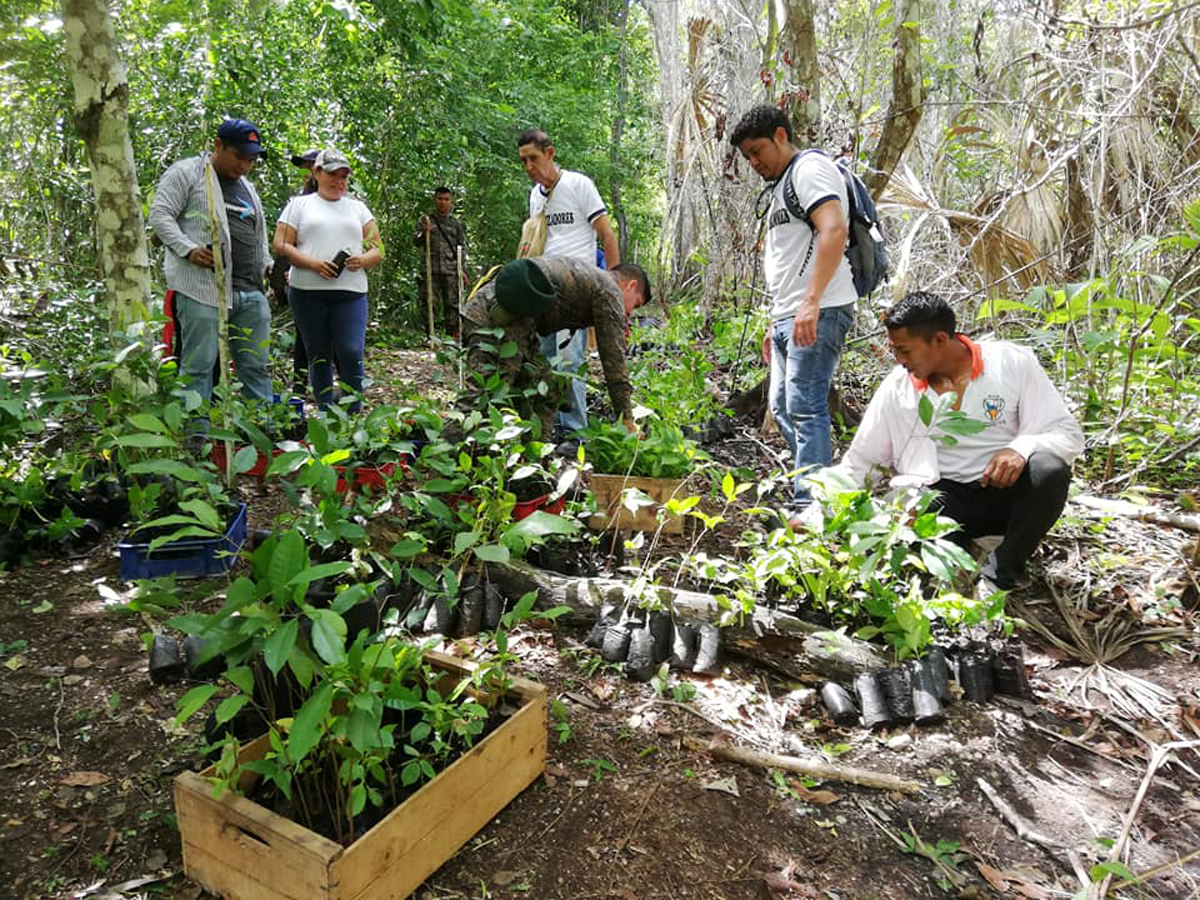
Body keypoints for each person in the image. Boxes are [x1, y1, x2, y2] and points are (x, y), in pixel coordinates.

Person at [830, 291, 1084, 591]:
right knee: (926, 552)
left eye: (905, 351)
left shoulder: (1010, 364)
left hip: (1002, 494)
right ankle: (957, 558)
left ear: (939, 340)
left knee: (1049, 470)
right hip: (940, 499)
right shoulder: (897, 389)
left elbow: (1068, 434)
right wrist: (818, 509)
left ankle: (1002, 573)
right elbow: (862, 461)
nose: (899, 361)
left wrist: (1020, 449)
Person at [730, 106, 856, 524]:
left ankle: (812, 507)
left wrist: (811, 301)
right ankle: (819, 485)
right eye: (747, 156)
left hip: (818, 310)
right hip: (789, 314)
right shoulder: (784, 183)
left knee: (805, 406)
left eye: (758, 151)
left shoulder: (810, 169)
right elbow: (786, 259)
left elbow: (834, 229)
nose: (754, 163)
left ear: (781, 135)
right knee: (783, 407)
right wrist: (775, 320)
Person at [148, 117, 273, 408]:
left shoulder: (248, 188)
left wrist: (267, 264)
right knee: (198, 367)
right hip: (201, 290)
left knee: (256, 366)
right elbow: (160, 215)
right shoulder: (188, 173)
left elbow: (259, 234)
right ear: (218, 145)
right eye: (238, 156)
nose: (244, 165)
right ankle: (196, 435)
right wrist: (188, 249)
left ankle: (263, 430)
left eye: (251, 160)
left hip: (249, 291)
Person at [456, 258, 647, 438]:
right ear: (631, 285)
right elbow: (614, 361)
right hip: (494, 318)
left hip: (517, 323)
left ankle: (535, 457)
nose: (630, 312)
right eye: (635, 304)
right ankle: (447, 454)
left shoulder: (597, 282)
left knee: (546, 388)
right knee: (486, 394)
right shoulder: (609, 291)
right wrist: (627, 420)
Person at [517, 128, 620, 437]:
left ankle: (576, 432)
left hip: (577, 289)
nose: (529, 167)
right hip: (542, 287)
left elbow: (607, 234)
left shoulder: (579, 185)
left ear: (550, 153)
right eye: (523, 161)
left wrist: (611, 285)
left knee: (569, 361)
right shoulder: (536, 196)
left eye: (534, 158)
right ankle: (548, 429)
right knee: (542, 360)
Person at [273, 149, 383, 413]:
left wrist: (361, 259)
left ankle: (353, 414)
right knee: (318, 353)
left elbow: (377, 249)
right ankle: (326, 413)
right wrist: (311, 263)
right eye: (333, 175)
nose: (339, 181)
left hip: (351, 292)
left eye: (344, 176)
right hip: (308, 291)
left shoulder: (358, 208)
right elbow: (280, 243)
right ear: (317, 173)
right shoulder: (299, 206)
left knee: (350, 351)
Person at [269, 149, 320, 393]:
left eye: (313, 166)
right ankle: (300, 388)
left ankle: (339, 390)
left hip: (332, 280)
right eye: (307, 167)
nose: (310, 171)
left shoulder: (342, 200)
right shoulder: (299, 202)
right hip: (301, 280)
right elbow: (285, 244)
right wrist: (278, 282)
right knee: (303, 334)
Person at [414, 186, 468, 336]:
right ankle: (429, 335)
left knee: (452, 304)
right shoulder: (426, 220)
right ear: (434, 200)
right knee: (429, 303)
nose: (443, 202)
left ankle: (452, 337)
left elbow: (461, 247)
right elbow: (416, 242)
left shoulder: (455, 224)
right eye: (440, 199)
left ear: (451, 202)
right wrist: (424, 231)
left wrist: (462, 269)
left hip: (450, 270)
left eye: (446, 199)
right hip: (430, 269)